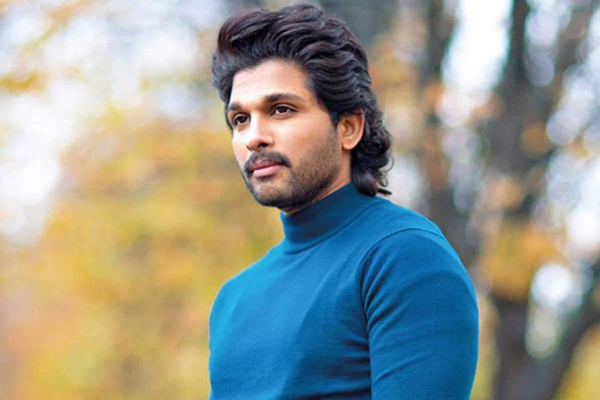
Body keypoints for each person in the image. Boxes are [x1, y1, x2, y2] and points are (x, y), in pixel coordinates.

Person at [208, 4, 478, 399]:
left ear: (348, 128)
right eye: (240, 120)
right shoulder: (233, 299)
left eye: (280, 110)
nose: (254, 137)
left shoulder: (404, 257)